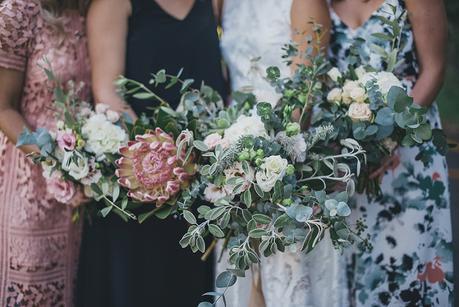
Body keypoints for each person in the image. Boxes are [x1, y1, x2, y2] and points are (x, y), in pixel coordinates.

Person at [76, 0, 227, 306]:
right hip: (140, 191)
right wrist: (168, 158)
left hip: (200, 193)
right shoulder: (114, 4)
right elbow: (108, 95)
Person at [217, 1, 349, 306]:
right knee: (243, 284)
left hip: (288, 167)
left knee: (287, 285)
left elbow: (305, 94)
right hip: (233, 165)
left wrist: (264, 163)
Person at [328, 0, 453, 305]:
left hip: (409, 150)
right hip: (349, 158)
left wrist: (390, 139)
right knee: (354, 270)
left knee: (407, 267)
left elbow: (434, 69)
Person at [0, 0, 90, 305]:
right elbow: (2, 108)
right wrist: (54, 162)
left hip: (89, 193)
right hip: (28, 190)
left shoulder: (97, 9)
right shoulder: (18, 12)